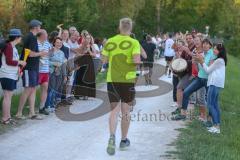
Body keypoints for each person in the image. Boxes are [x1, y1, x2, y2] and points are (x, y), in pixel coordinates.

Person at [102, 18, 141, 155]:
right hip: (128, 80)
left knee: (114, 111)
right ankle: (123, 141)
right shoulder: (134, 42)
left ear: (119, 27)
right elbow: (137, 61)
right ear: (130, 28)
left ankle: (112, 136)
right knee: (125, 111)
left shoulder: (111, 41)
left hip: (112, 80)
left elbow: (104, 60)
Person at [173, 38, 216, 121]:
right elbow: (199, 69)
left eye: (207, 44)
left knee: (208, 99)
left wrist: (200, 61)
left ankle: (209, 120)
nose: (205, 45)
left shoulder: (212, 55)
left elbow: (209, 70)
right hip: (200, 78)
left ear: (210, 45)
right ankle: (183, 115)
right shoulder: (202, 54)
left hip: (208, 80)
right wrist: (195, 63)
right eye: (204, 43)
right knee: (186, 92)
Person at [16, 20, 47, 120]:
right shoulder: (31, 37)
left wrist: (39, 55)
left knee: (33, 89)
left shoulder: (32, 37)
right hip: (29, 68)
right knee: (28, 89)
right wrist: (40, 54)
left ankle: (32, 113)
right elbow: (30, 54)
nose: (40, 28)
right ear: (35, 27)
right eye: (39, 26)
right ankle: (19, 113)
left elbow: (31, 53)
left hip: (33, 67)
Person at [195, 43, 227, 133]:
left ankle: (216, 126)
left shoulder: (219, 60)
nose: (214, 50)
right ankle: (216, 125)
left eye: (216, 49)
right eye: (214, 48)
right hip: (215, 84)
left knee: (210, 104)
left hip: (214, 84)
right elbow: (208, 69)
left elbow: (208, 70)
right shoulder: (219, 60)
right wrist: (202, 62)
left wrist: (201, 61)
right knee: (215, 105)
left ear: (220, 51)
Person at [0, 29, 26, 124]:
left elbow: (13, 62)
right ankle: (5, 118)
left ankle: (8, 117)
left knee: (8, 96)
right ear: (16, 37)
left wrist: (19, 70)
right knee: (7, 96)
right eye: (20, 37)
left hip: (11, 74)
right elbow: (9, 61)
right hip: (6, 74)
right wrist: (21, 62)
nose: (21, 38)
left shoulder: (13, 47)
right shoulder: (9, 47)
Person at [45, 37, 67, 111]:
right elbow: (45, 61)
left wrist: (65, 76)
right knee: (51, 89)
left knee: (55, 89)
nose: (59, 44)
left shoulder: (62, 53)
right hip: (52, 72)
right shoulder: (51, 51)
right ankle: (47, 105)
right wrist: (54, 63)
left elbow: (63, 64)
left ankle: (52, 105)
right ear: (54, 43)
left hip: (59, 73)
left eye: (60, 43)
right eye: (57, 42)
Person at [74, 34, 96, 100]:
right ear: (84, 39)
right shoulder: (81, 46)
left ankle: (87, 94)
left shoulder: (92, 46)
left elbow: (94, 55)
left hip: (89, 64)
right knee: (80, 78)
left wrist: (89, 50)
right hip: (82, 63)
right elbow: (77, 55)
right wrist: (84, 52)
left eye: (89, 38)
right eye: (87, 38)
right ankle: (79, 94)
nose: (88, 40)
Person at [37, 29, 52, 115]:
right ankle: (30, 109)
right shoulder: (36, 42)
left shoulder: (47, 43)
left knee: (45, 88)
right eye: (46, 34)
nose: (47, 35)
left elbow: (50, 53)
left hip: (46, 69)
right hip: (38, 69)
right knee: (33, 89)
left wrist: (49, 53)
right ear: (41, 35)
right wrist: (40, 55)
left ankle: (41, 107)